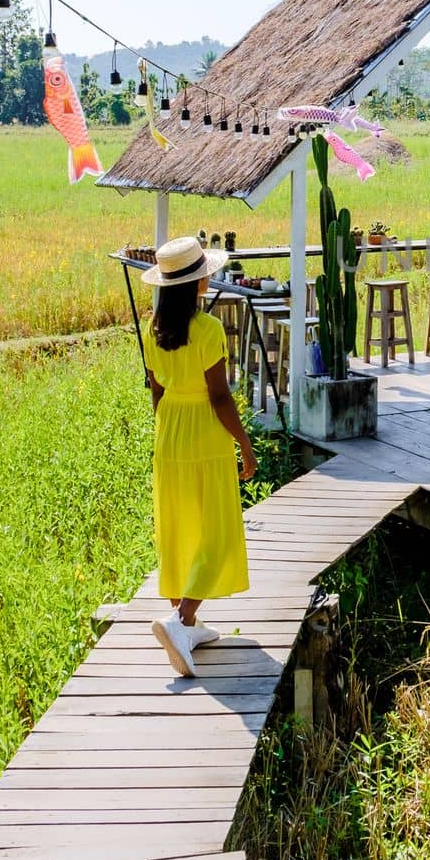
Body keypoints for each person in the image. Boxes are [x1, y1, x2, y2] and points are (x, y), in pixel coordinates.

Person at [141, 237, 255, 677]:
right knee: (216, 529)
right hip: (205, 431)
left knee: (179, 523)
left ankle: (188, 626)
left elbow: (157, 390)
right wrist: (244, 443)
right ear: (196, 282)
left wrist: (168, 430)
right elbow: (220, 396)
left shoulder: (154, 328)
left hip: (170, 429)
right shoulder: (207, 329)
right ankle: (181, 618)